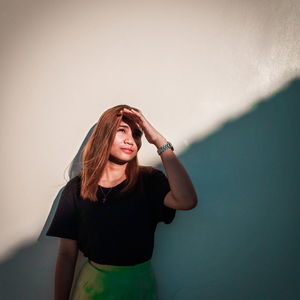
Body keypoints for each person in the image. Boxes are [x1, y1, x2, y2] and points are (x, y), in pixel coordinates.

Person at [46, 104, 198, 300]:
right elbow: (67, 255)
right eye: (121, 130)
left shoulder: (150, 180)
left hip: (138, 288)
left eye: (137, 134)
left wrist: (158, 141)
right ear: (104, 136)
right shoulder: (77, 188)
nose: (131, 140)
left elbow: (187, 200)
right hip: (93, 289)